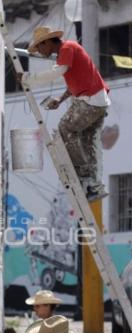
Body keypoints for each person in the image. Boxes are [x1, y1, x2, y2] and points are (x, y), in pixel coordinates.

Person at [18, 26, 111, 203]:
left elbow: (57, 72)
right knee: (87, 143)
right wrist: (60, 100)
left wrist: (28, 78)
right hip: (98, 101)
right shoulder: (69, 53)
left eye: (40, 47)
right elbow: (74, 81)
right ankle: (94, 186)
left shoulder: (67, 48)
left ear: (47, 42)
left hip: (90, 100)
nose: (39, 52)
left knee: (65, 129)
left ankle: (83, 175)